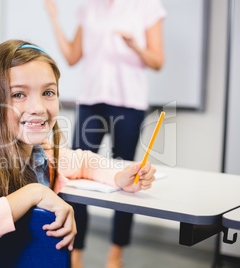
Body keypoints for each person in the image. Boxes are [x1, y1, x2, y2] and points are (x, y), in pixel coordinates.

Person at [0, 39, 156, 266]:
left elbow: (84, 162)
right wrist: (34, 193)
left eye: (48, 92)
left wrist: (118, 177)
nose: (38, 108)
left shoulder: (42, 154)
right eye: (18, 94)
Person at [45, 0, 166, 267]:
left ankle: (115, 255)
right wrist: (54, 17)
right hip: (91, 101)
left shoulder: (146, 6)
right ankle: (75, 255)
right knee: (73, 175)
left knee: (128, 179)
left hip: (128, 103)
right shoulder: (89, 7)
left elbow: (158, 60)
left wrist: (135, 46)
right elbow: (72, 57)